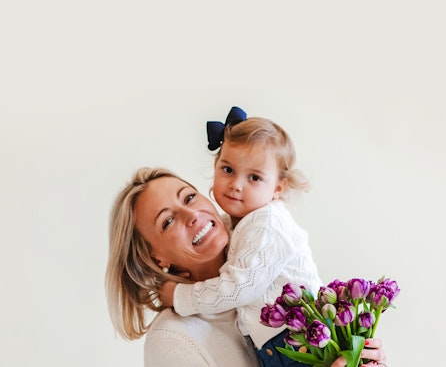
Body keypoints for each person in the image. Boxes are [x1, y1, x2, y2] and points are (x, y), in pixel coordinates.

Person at [159, 107, 387, 367]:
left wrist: (180, 296)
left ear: (278, 188)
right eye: (228, 170)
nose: (236, 184)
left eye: (254, 177)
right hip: (277, 344)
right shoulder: (236, 225)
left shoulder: (267, 225)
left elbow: (239, 288)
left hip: (300, 339)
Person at [106, 166, 388, 367]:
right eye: (168, 221)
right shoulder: (174, 340)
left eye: (190, 197)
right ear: (157, 260)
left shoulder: (271, 273)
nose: (192, 215)